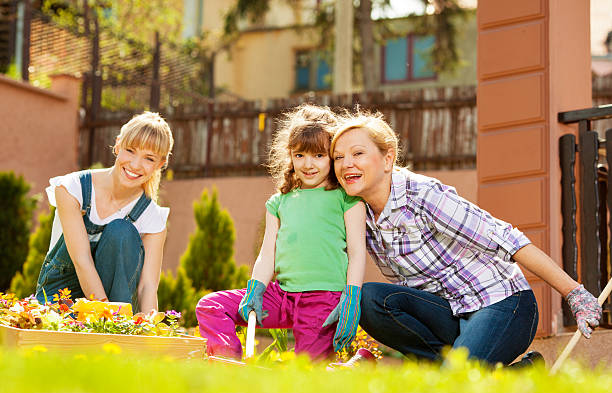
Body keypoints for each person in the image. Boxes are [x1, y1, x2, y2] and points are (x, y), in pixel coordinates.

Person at [330, 110, 602, 366]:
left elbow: (507, 238)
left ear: (388, 159)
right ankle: (512, 374)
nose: (347, 164)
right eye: (339, 157)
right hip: (448, 312)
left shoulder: (422, 196)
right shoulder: (356, 212)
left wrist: (574, 293)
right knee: (370, 299)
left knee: (458, 380)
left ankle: (455, 375)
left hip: (500, 303)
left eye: (358, 153)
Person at [196, 104, 366, 360]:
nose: (308, 164)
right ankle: (226, 361)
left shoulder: (346, 198)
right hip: (282, 296)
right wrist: (256, 288)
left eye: (318, 155)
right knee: (211, 305)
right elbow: (267, 254)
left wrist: (351, 299)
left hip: (323, 302)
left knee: (306, 374)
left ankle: (360, 363)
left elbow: (356, 253)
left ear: (332, 156)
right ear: (290, 157)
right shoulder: (279, 202)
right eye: (299, 155)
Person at [35, 111, 174, 313]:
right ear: (117, 145)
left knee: (121, 231)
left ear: (161, 164)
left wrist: (147, 329)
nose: (135, 164)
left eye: (149, 158)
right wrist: (105, 317)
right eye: (130, 150)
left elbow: (147, 287)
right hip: (62, 294)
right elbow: (82, 261)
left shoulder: (152, 217)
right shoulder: (73, 188)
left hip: (118, 302)